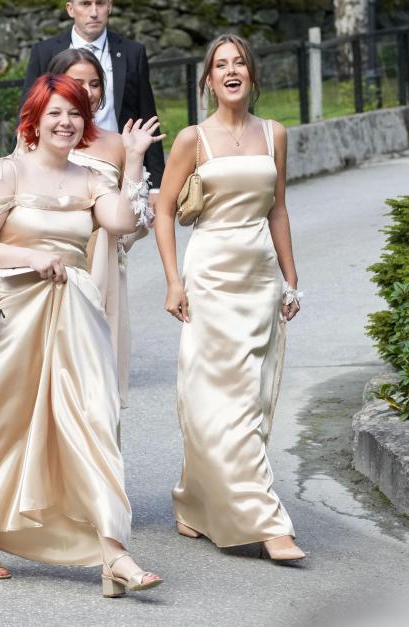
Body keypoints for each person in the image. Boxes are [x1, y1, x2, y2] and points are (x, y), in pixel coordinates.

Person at [0, 73, 164, 597]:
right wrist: (30, 256)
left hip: (74, 311)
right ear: (35, 119)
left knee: (92, 421)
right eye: (56, 113)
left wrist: (135, 158)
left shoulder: (92, 176)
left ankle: (113, 553)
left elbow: (119, 220)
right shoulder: (8, 173)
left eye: (74, 113)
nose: (67, 122)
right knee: (3, 427)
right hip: (14, 314)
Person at [152, 34, 306, 562]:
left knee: (250, 398)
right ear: (209, 80)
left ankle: (194, 500)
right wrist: (173, 280)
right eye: (221, 64)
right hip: (210, 276)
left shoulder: (274, 133)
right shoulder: (193, 139)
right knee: (213, 396)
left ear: (252, 74)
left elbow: (278, 209)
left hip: (259, 276)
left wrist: (291, 276)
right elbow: (165, 210)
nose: (231, 70)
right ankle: (268, 523)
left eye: (239, 61)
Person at [46, 47, 152, 409]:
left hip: (101, 261)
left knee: (97, 369)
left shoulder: (116, 144)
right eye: (78, 82)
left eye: (95, 84)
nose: (88, 92)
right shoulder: (32, 139)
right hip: (50, 260)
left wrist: (135, 159)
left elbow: (136, 213)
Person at [22, 0, 166, 196]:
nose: (94, 12)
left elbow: (146, 114)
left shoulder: (133, 52)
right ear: (70, 9)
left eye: (100, 3)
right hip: (60, 169)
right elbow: (30, 112)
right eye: (85, 4)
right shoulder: (45, 53)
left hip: (117, 167)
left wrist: (156, 186)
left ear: (110, 7)